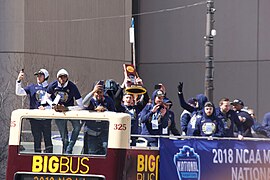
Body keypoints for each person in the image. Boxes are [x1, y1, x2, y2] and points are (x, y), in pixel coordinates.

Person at [45, 69, 83, 154]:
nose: (62, 79)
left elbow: (81, 104)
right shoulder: (53, 85)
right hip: (58, 112)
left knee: (77, 127)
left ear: (67, 78)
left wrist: (68, 108)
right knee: (64, 137)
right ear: (58, 78)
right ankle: (66, 154)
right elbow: (46, 97)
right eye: (60, 77)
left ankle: (70, 148)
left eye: (64, 77)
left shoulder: (72, 87)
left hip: (69, 111)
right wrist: (53, 105)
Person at [16, 68, 53, 153]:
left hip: (46, 119)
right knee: (37, 139)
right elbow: (19, 92)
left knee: (48, 139)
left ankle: (50, 157)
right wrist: (18, 81)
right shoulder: (32, 87)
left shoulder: (50, 88)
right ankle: (37, 156)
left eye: (41, 75)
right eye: (37, 76)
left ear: (46, 77)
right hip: (34, 119)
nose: (38, 77)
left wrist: (46, 108)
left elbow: (55, 104)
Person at [83, 80, 115, 154]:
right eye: (97, 92)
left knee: (106, 149)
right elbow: (84, 103)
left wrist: (105, 110)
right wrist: (93, 91)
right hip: (91, 131)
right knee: (92, 152)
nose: (99, 94)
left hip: (104, 130)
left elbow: (114, 113)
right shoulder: (90, 100)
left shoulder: (108, 100)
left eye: (101, 92)